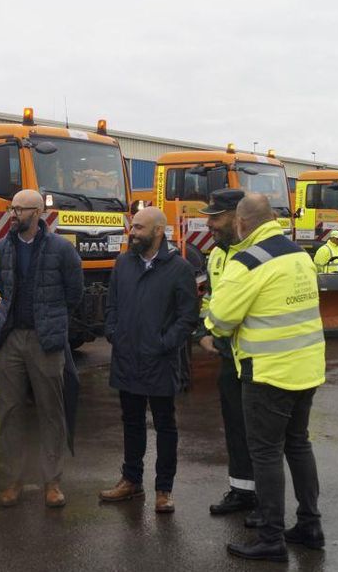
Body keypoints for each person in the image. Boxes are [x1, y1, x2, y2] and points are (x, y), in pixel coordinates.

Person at [207, 194, 327, 563]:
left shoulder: (247, 262)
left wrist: (210, 327)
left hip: (268, 372)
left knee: (265, 453)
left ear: (242, 223)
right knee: (298, 444)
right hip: (307, 367)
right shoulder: (298, 254)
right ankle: (309, 524)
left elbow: (221, 319)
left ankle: (271, 537)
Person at [98, 207, 198, 513]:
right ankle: (131, 480)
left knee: (165, 424)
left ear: (158, 232)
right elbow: (112, 303)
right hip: (127, 357)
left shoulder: (179, 268)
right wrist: (113, 331)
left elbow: (187, 317)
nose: (133, 232)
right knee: (131, 422)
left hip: (161, 361)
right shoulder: (123, 263)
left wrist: (165, 343)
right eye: (133, 227)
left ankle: (164, 489)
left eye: (140, 228)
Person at [0, 189, 83, 508]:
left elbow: (75, 292)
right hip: (11, 337)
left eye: (20, 209)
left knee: (51, 410)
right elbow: (2, 287)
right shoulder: (1, 247)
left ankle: (52, 482)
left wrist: (52, 319)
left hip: (46, 340)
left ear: (38, 212)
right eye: (12, 208)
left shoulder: (61, 249)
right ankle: (14, 479)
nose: (13, 214)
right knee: (11, 410)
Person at [195, 189, 259, 522]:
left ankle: (265, 500)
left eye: (215, 218)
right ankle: (241, 491)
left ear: (237, 217)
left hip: (257, 360)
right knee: (234, 427)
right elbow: (211, 301)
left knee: (260, 434)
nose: (209, 225)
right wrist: (206, 332)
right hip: (228, 357)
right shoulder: (217, 255)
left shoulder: (258, 253)